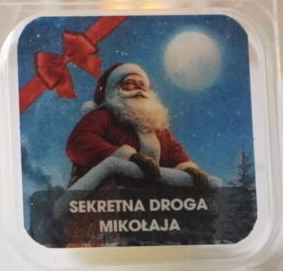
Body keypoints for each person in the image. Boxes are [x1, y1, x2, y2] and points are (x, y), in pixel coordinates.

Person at [66, 63, 212, 188]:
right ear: (116, 89)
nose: (138, 88)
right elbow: (79, 143)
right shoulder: (102, 115)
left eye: (142, 84)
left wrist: (187, 168)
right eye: (130, 83)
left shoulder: (157, 127)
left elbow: (174, 152)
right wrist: (129, 157)